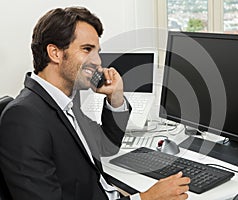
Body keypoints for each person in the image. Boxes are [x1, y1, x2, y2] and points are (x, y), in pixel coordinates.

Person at [0, 6, 190, 200]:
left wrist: (115, 99)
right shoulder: (24, 118)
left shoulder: (64, 101)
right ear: (55, 53)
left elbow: (105, 146)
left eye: (97, 52)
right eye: (87, 49)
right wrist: (145, 199)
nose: (98, 61)